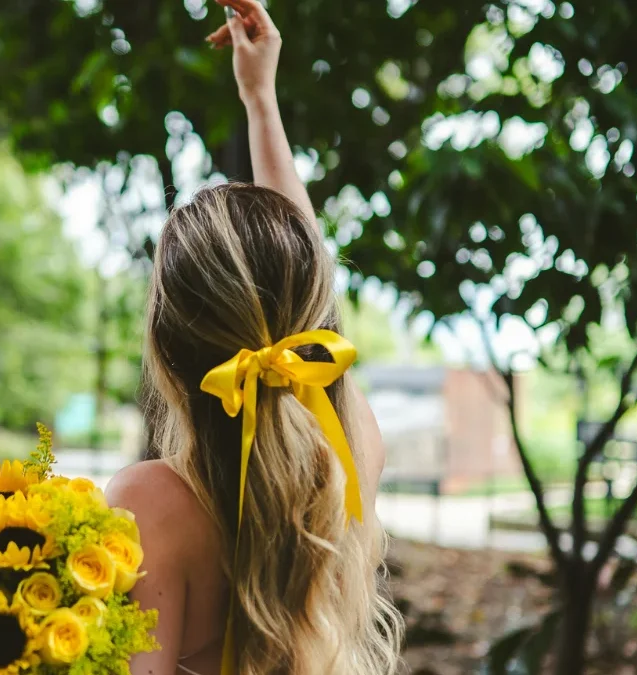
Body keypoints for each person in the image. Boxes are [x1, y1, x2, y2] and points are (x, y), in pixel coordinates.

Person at [104, 1, 403, 675]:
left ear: (165, 344)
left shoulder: (150, 506)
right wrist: (259, 101)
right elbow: (307, 304)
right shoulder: (348, 453)